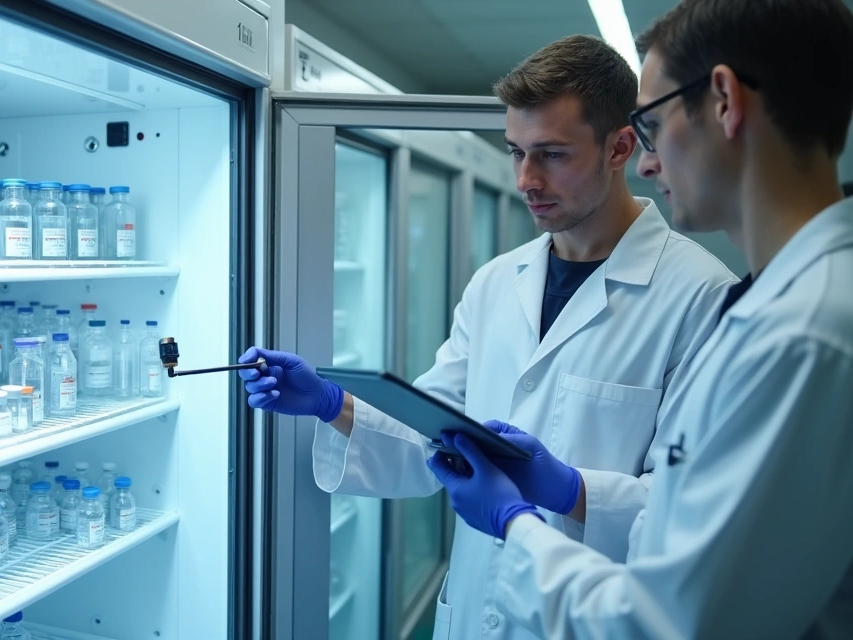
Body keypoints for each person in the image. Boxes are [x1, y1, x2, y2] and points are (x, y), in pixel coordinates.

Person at [238, 35, 737, 640]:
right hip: (476, 608)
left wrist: (572, 490)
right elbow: (434, 431)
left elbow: (692, 512)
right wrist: (331, 403)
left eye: (552, 154)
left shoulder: (702, 297)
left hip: (589, 618)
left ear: (621, 148)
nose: (527, 179)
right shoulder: (498, 282)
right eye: (515, 152)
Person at [427, 0, 853, 637]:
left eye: (651, 126)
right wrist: (568, 488)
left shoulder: (804, 335)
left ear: (725, 101)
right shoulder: (786, 308)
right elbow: (680, 532)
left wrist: (513, 522)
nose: (648, 164)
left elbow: (671, 620)